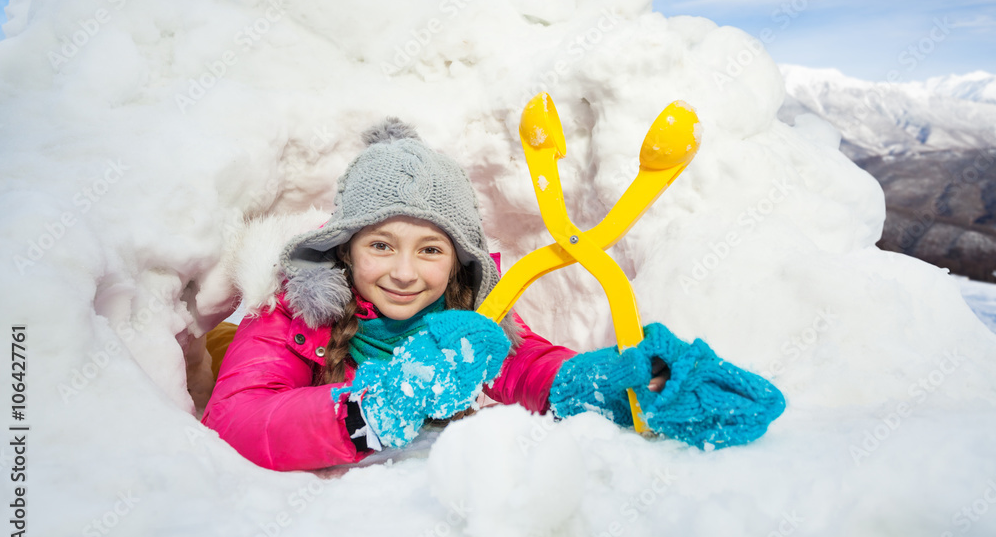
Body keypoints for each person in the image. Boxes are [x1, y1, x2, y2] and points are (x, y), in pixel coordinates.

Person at [203, 118, 784, 471]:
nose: (404, 272)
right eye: (381, 245)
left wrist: (620, 380)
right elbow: (236, 420)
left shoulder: (472, 319)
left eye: (430, 250)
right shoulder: (291, 313)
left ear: (458, 261)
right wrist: (374, 409)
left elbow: (528, 368)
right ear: (345, 249)